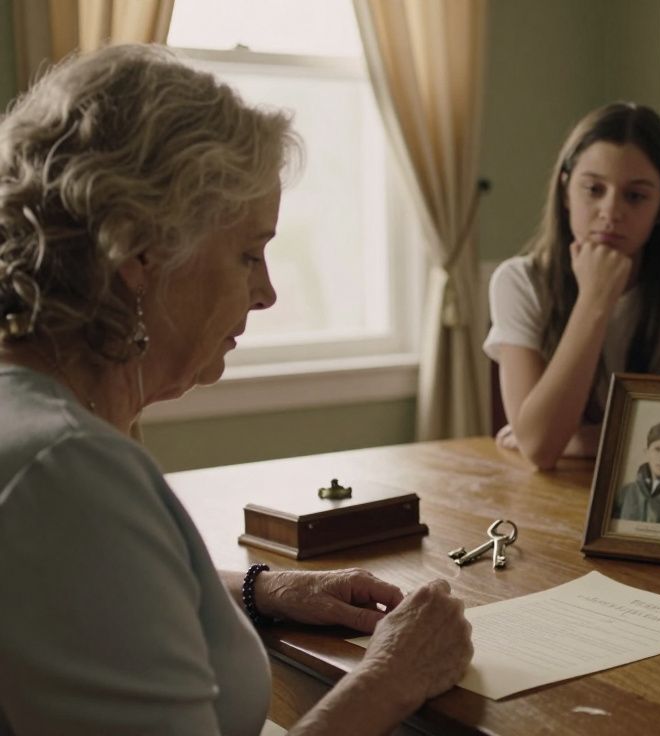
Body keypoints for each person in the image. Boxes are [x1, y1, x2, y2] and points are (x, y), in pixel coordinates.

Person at [0, 45, 472, 734]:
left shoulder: (32, 426)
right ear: (138, 250)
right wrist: (393, 678)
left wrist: (263, 587)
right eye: (249, 253)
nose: (268, 292)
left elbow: (97, 598)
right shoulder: (65, 472)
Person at [484, 102, 660, 470]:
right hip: (558, 489)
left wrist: (585, 439)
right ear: (566, 191)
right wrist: (594, 299)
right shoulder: (520, 281)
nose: (610, 211)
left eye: (635, 196)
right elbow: (540, 448)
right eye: (593, 189)